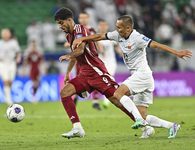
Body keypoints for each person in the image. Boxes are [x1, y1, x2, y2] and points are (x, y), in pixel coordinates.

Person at [73, 15, 192, 138]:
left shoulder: (138, 38)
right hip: (141, 77)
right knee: (142, 115)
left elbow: (156, 45)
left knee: (118, 94)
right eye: (116, 27)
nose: (117, 30)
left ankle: (138, 121)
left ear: (128, 28)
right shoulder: (117, 35)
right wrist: (82, 39)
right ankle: (172, 126)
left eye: (119, 27)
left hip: (142, 74)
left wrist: (177, 52)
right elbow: (99, 36)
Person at [54, 7, 148, 139]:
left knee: (117, 100)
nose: (60, 26)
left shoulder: (80, 30)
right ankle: (77, 128)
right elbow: (76, 55)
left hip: (96, 71)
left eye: (61, 22)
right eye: (58, 23)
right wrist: (68, 72)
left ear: (69, 20)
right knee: (64, 92)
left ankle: (145, 126)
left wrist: (68, 55)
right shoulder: (68, 35)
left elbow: (80, 50)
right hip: (84, 74)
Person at [64, 12, 105, 110]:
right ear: (78, 19)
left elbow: (95, 41)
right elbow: (67, 44)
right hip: (79, 60)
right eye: (81, 17)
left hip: (90, 60)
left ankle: (94, 101)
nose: (83, 19)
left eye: (85, 17)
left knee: (94, 80)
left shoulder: (91, 30)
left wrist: (101, 50)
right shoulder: (74, 32)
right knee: (80, 80)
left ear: (88, 19)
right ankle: (78, 96)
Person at [97, 20, 123, 108]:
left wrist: (119, 52)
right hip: (101, 63)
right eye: (101, 25)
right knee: (103, 82)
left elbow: (116, 45)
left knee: (110, 77)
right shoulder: (96, 37)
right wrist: (101, 50)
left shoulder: (111, 37)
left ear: (107, 26)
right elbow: (98, 45)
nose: (103, 27)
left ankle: (106, 100)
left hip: (111, 62)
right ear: (99, 27)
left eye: (104, 25)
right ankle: (103, 98)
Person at [0, 28, 21, 105]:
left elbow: (18, 51)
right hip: (3, 64)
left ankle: (8, 96)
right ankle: (8, 99)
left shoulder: (14, 42)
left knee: (11, 81)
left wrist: (18, 57)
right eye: (4, 33)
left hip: (12, 63)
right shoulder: (0, 43)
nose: (5, 34)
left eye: (6, 33)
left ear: (9, 34)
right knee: (6, 80)